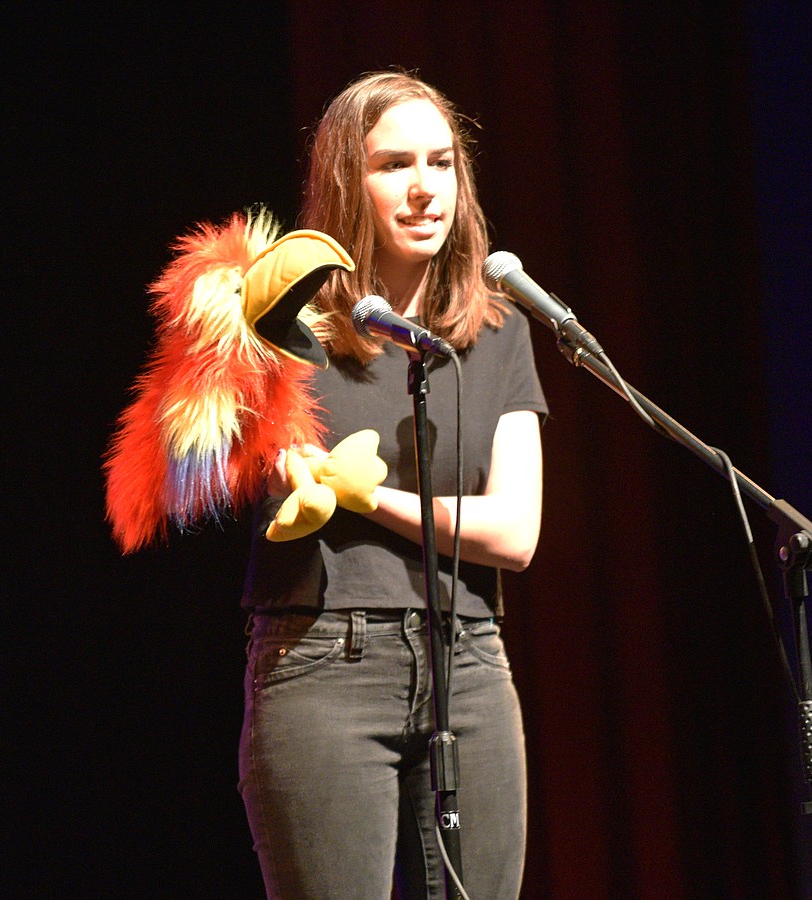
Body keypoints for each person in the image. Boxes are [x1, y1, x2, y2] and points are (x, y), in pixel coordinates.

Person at [237, 71, 547, 899]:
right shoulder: (282, 328)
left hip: (470, 662)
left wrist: (361, 494)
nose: (423, 189)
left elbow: (515, 533)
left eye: (441, 163)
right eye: (393, 165)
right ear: (347, 181)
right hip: (322, 662)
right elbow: (192, 461)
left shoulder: (498, 329)